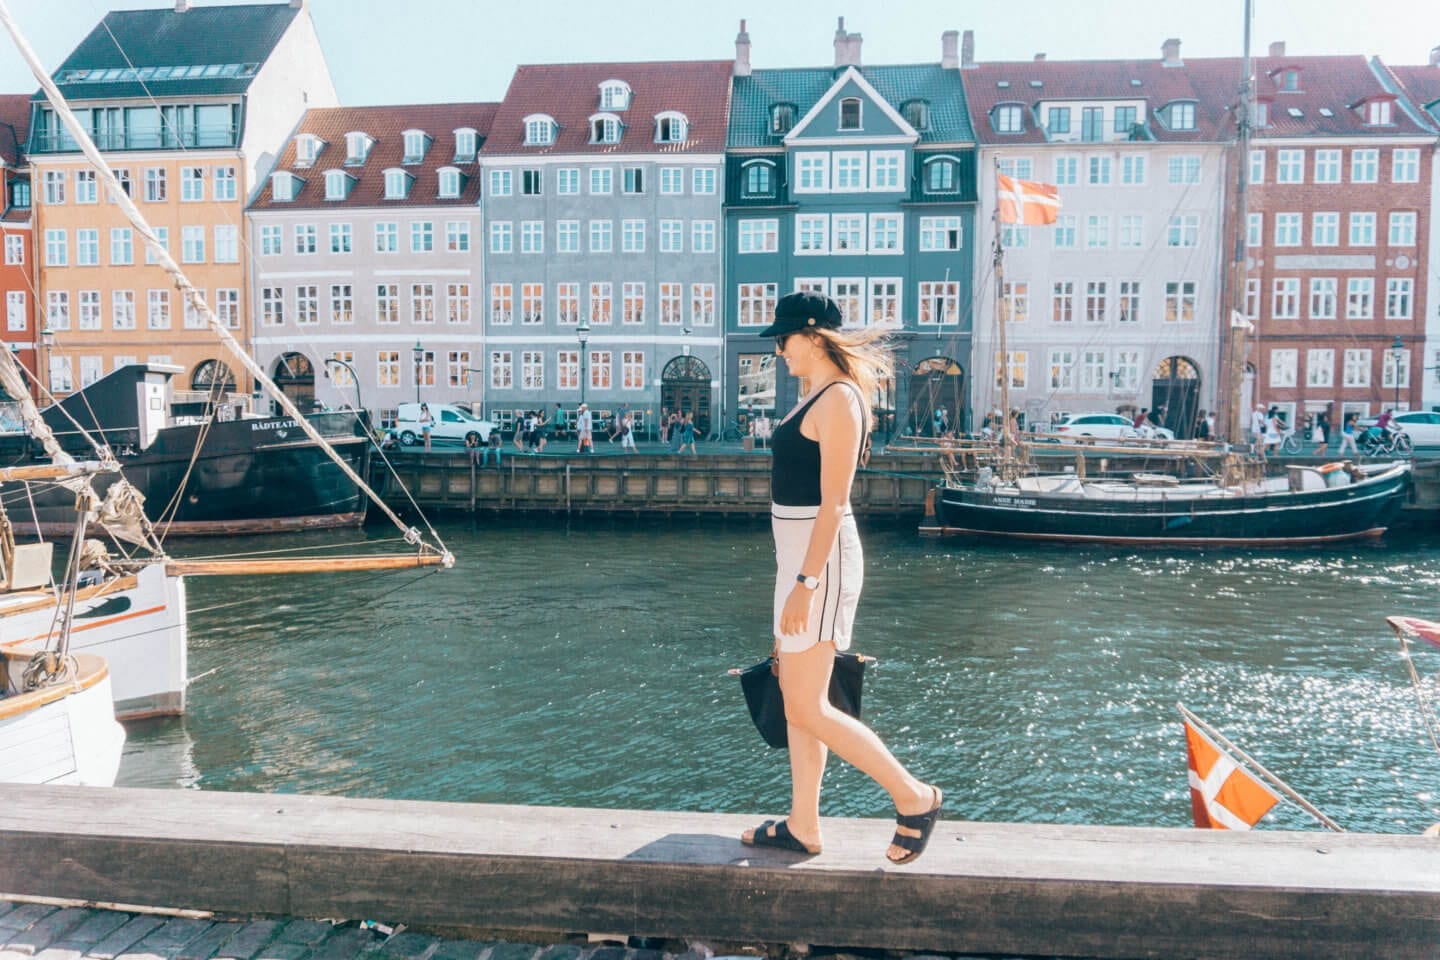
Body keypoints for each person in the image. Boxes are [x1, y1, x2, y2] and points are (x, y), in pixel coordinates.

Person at [739, 290, 942, 865]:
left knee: (807, 707)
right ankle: (804, 824)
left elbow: (833, 505)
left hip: (819, 565)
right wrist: (793, 578)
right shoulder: (817, 396)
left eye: (784, 338)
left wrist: (803, 585)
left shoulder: (839, 401)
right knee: (799, 697)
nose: (778, 350)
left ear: (814, 336)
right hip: (800, 560)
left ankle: (915, 797)